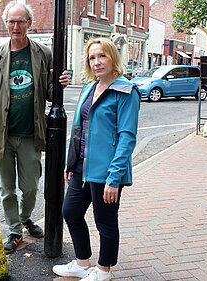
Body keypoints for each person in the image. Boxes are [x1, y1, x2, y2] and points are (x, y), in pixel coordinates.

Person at [0, 1, 69, 254]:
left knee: (30, 187)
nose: (16, 26)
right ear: (6, 24)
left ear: (29, 23)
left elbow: (50, 93)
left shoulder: (43, 54)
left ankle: (26, 217)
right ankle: (15, 230)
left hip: (31, 134)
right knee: (7, 189)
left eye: (21, 21)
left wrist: (60, 83)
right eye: (11, 22)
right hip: (2, 136)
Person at [52, 38, 140, 281]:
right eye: (92, 57)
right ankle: (82, 263)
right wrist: (71, 163)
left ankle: (104, 270)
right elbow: (79, 128)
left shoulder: (126, 91)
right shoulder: (89, 87)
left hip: (107, 170)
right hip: (82, 167)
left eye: (102, 56)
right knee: (70, 212)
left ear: (113, 57)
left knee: (105, 221)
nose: (97, 62)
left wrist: (114, 178)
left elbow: (127, 137)